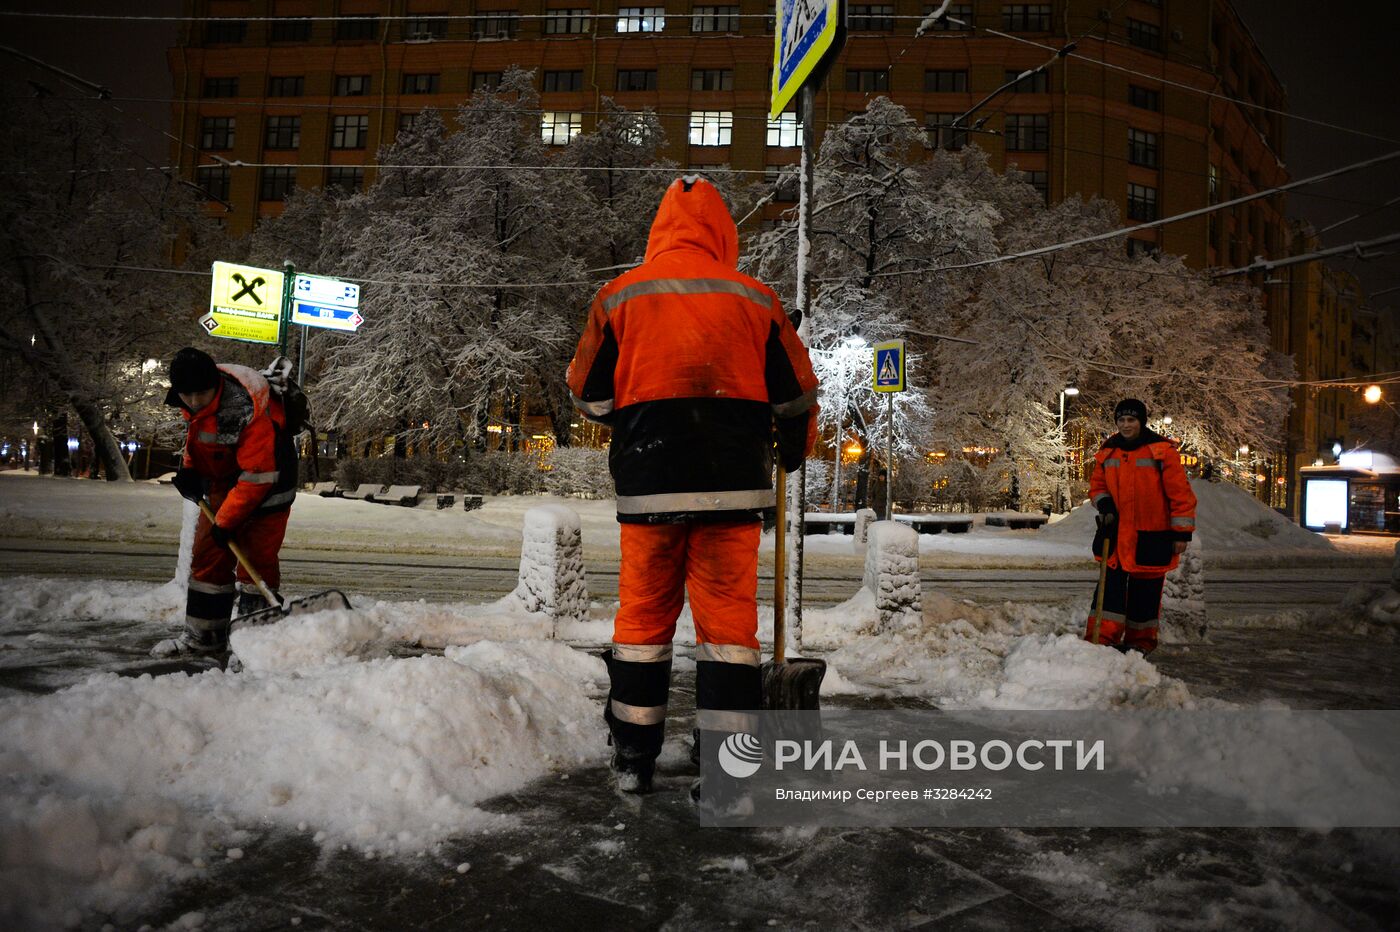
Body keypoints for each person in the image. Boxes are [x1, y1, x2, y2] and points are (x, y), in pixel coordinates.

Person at [566, 175, 819, 793]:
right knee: (729, 628)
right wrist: (791, 447)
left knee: (643, 621)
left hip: (649, 484)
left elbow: (587, 394)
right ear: (721, 232)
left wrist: (634, 408)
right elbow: (799, 396)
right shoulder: (755, 299)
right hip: (732, 491)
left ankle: (632, 758)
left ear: (660, 229)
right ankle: (727, 769)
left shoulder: (619, 296)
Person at [152, 347, 298, 659]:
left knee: (254, 564)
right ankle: (203, 638)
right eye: (185, 395)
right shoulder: (195, 402)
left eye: (199, 394)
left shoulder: (244, 409)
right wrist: (190, 470)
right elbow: (202, 440)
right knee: (208, 559)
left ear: (214, 386)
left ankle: (254, 650)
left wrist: (226, 520)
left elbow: (258, 474)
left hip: (269, 486)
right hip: (227, 484)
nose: (192, 402)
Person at [1086, 398, 1197, 655]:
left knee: (1145, 594)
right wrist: (1105, 506)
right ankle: (1101, 641)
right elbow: (1097, 486)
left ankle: (1140, 644)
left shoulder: (1161, 452)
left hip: (1151, 536)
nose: (1126, 425)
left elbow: (1180, 495)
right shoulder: (1108, 452)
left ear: (1141, 422)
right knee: (1109, 590)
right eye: (1121, 420)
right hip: (1114, 534)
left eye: (1131, 420)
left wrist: (1182, 532)